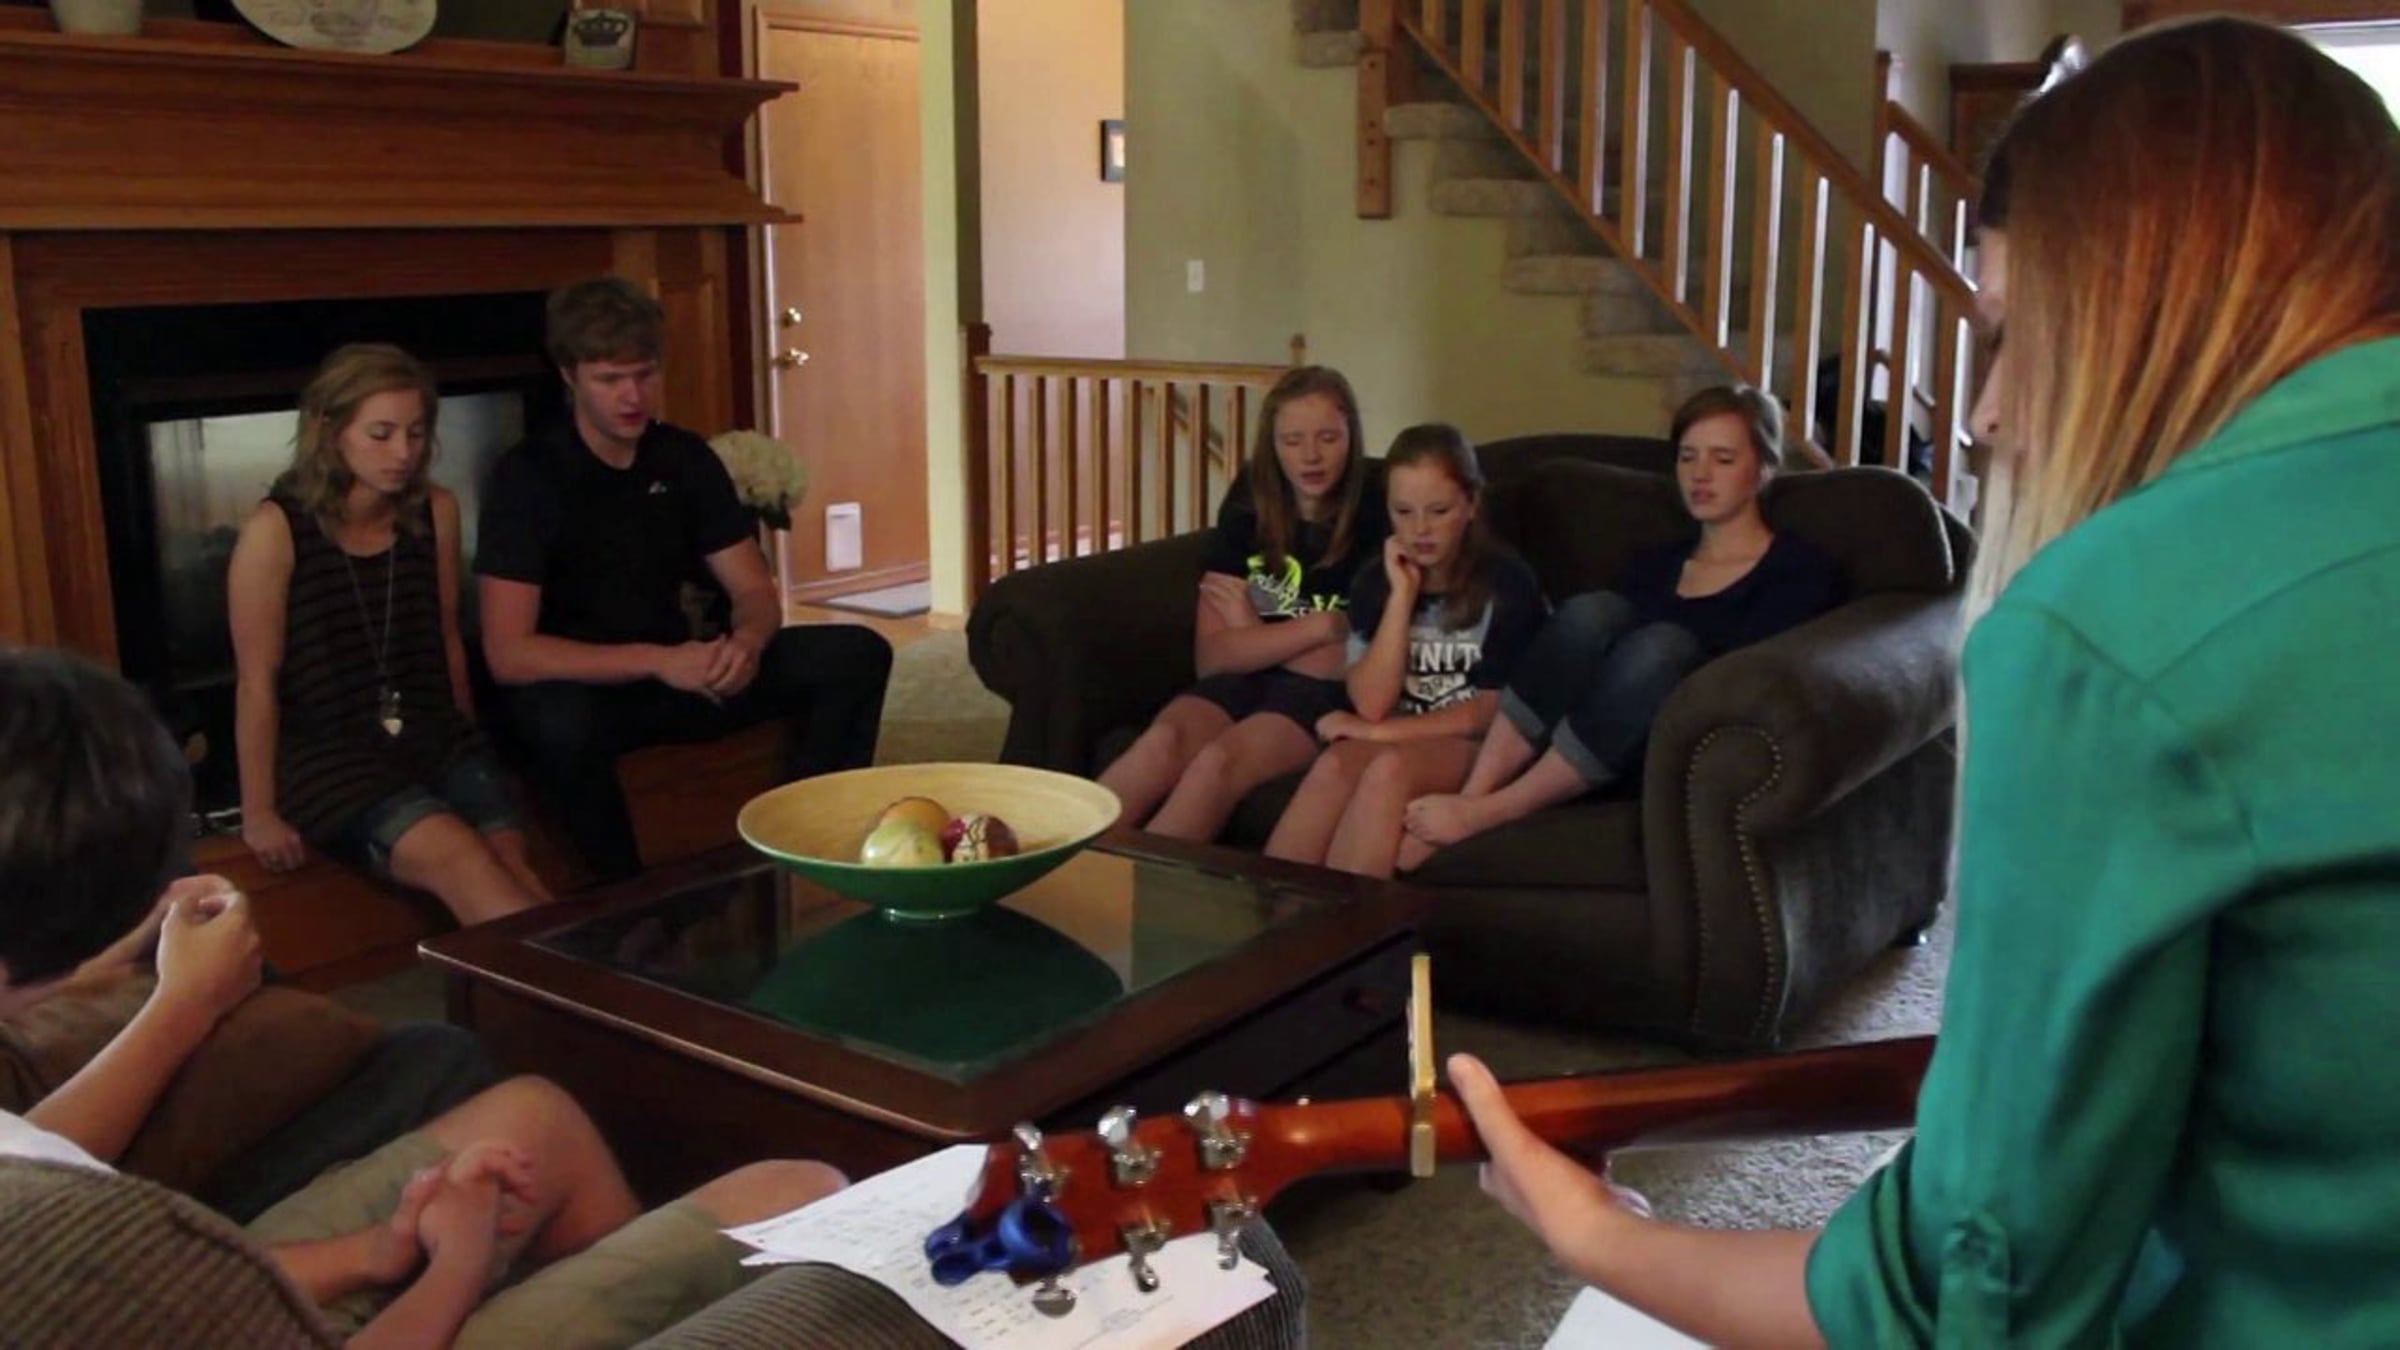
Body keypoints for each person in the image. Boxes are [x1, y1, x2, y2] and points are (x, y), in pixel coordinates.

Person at [1449, 18, 2400, 1346]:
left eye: (2009, 332)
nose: (1986, 412)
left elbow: (1974, 1295)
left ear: (2143, 299)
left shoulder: (2102, 629)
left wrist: (1599, 1233)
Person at [0, 646, 848, 1348]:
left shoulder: (53, 1198)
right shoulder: (89, 1247)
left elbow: (53, 1170)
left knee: (531, 1114)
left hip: (197, 1280)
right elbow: (190, 1290)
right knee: (798, 1191)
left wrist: (377, 1250)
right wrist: (455, 1265)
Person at [476, 277, 894, 882]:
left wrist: (746, 643)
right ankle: (627, 897)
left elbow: (753, 590)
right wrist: (657, 660)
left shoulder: (683, 457)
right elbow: (509, 654)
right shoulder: (528, 477)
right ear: (569, 376)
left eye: (645, 375)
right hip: (594, 686)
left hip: (684, 674)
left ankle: (802, 841)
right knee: (554, 720)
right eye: (610, 379)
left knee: (857, 652)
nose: (632, 396)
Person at [1400, 385, 1842, 868]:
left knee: (1664, 644)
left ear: (1764, 468)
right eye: (1688, 457)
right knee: (1593, 612)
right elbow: (1585, 659)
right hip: (1578, 742)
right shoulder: (1654, 564)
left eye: (1722, 459)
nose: (1700, 474)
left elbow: (1758, 678)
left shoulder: (1795, 570)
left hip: (1671, 751)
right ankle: (1472, 798)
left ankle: (1496, 810)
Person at [226, 344, 549, 924]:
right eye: (381, 434)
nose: (403, 453)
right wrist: (258, 813)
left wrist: (469, 741)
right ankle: (578, 983)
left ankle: (586, 979)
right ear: (331, 433)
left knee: (512, 861)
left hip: (430, 732)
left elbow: (446, 640)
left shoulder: (436, 511)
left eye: (416, 434)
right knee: (462, 860)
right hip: (329, 756)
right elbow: (255, 682)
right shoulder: (275, 531)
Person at [1097, 365, 1390, 842]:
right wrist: (1317, 627)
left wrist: (1252, 634)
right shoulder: (1250, 499)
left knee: (1217, 763)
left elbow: (1345, 666)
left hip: (1320, 698)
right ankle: (1055, 874)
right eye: (1292, 440)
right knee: (1161, 744)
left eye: (1328, 438)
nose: (1311, 456)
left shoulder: (1377, 507)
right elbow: (1213, 658)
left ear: (1351, 437)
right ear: (1272, 445)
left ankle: (1144, 891)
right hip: (1238, 681)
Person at [1262, 424, 1544, 877]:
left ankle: (1350, 920)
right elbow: (1371, 704)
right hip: (1399, 730)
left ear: (1471, 504)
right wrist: (1401, 598)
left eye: (1439, 511)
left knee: (1388, 770)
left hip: (1480, 748)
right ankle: (1272, 914)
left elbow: (1488, 712)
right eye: (1404, 512)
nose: (1420, 530)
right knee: (1333, 766)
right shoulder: (1376, 581)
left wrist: (1377, 735)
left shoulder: (1507, 583)